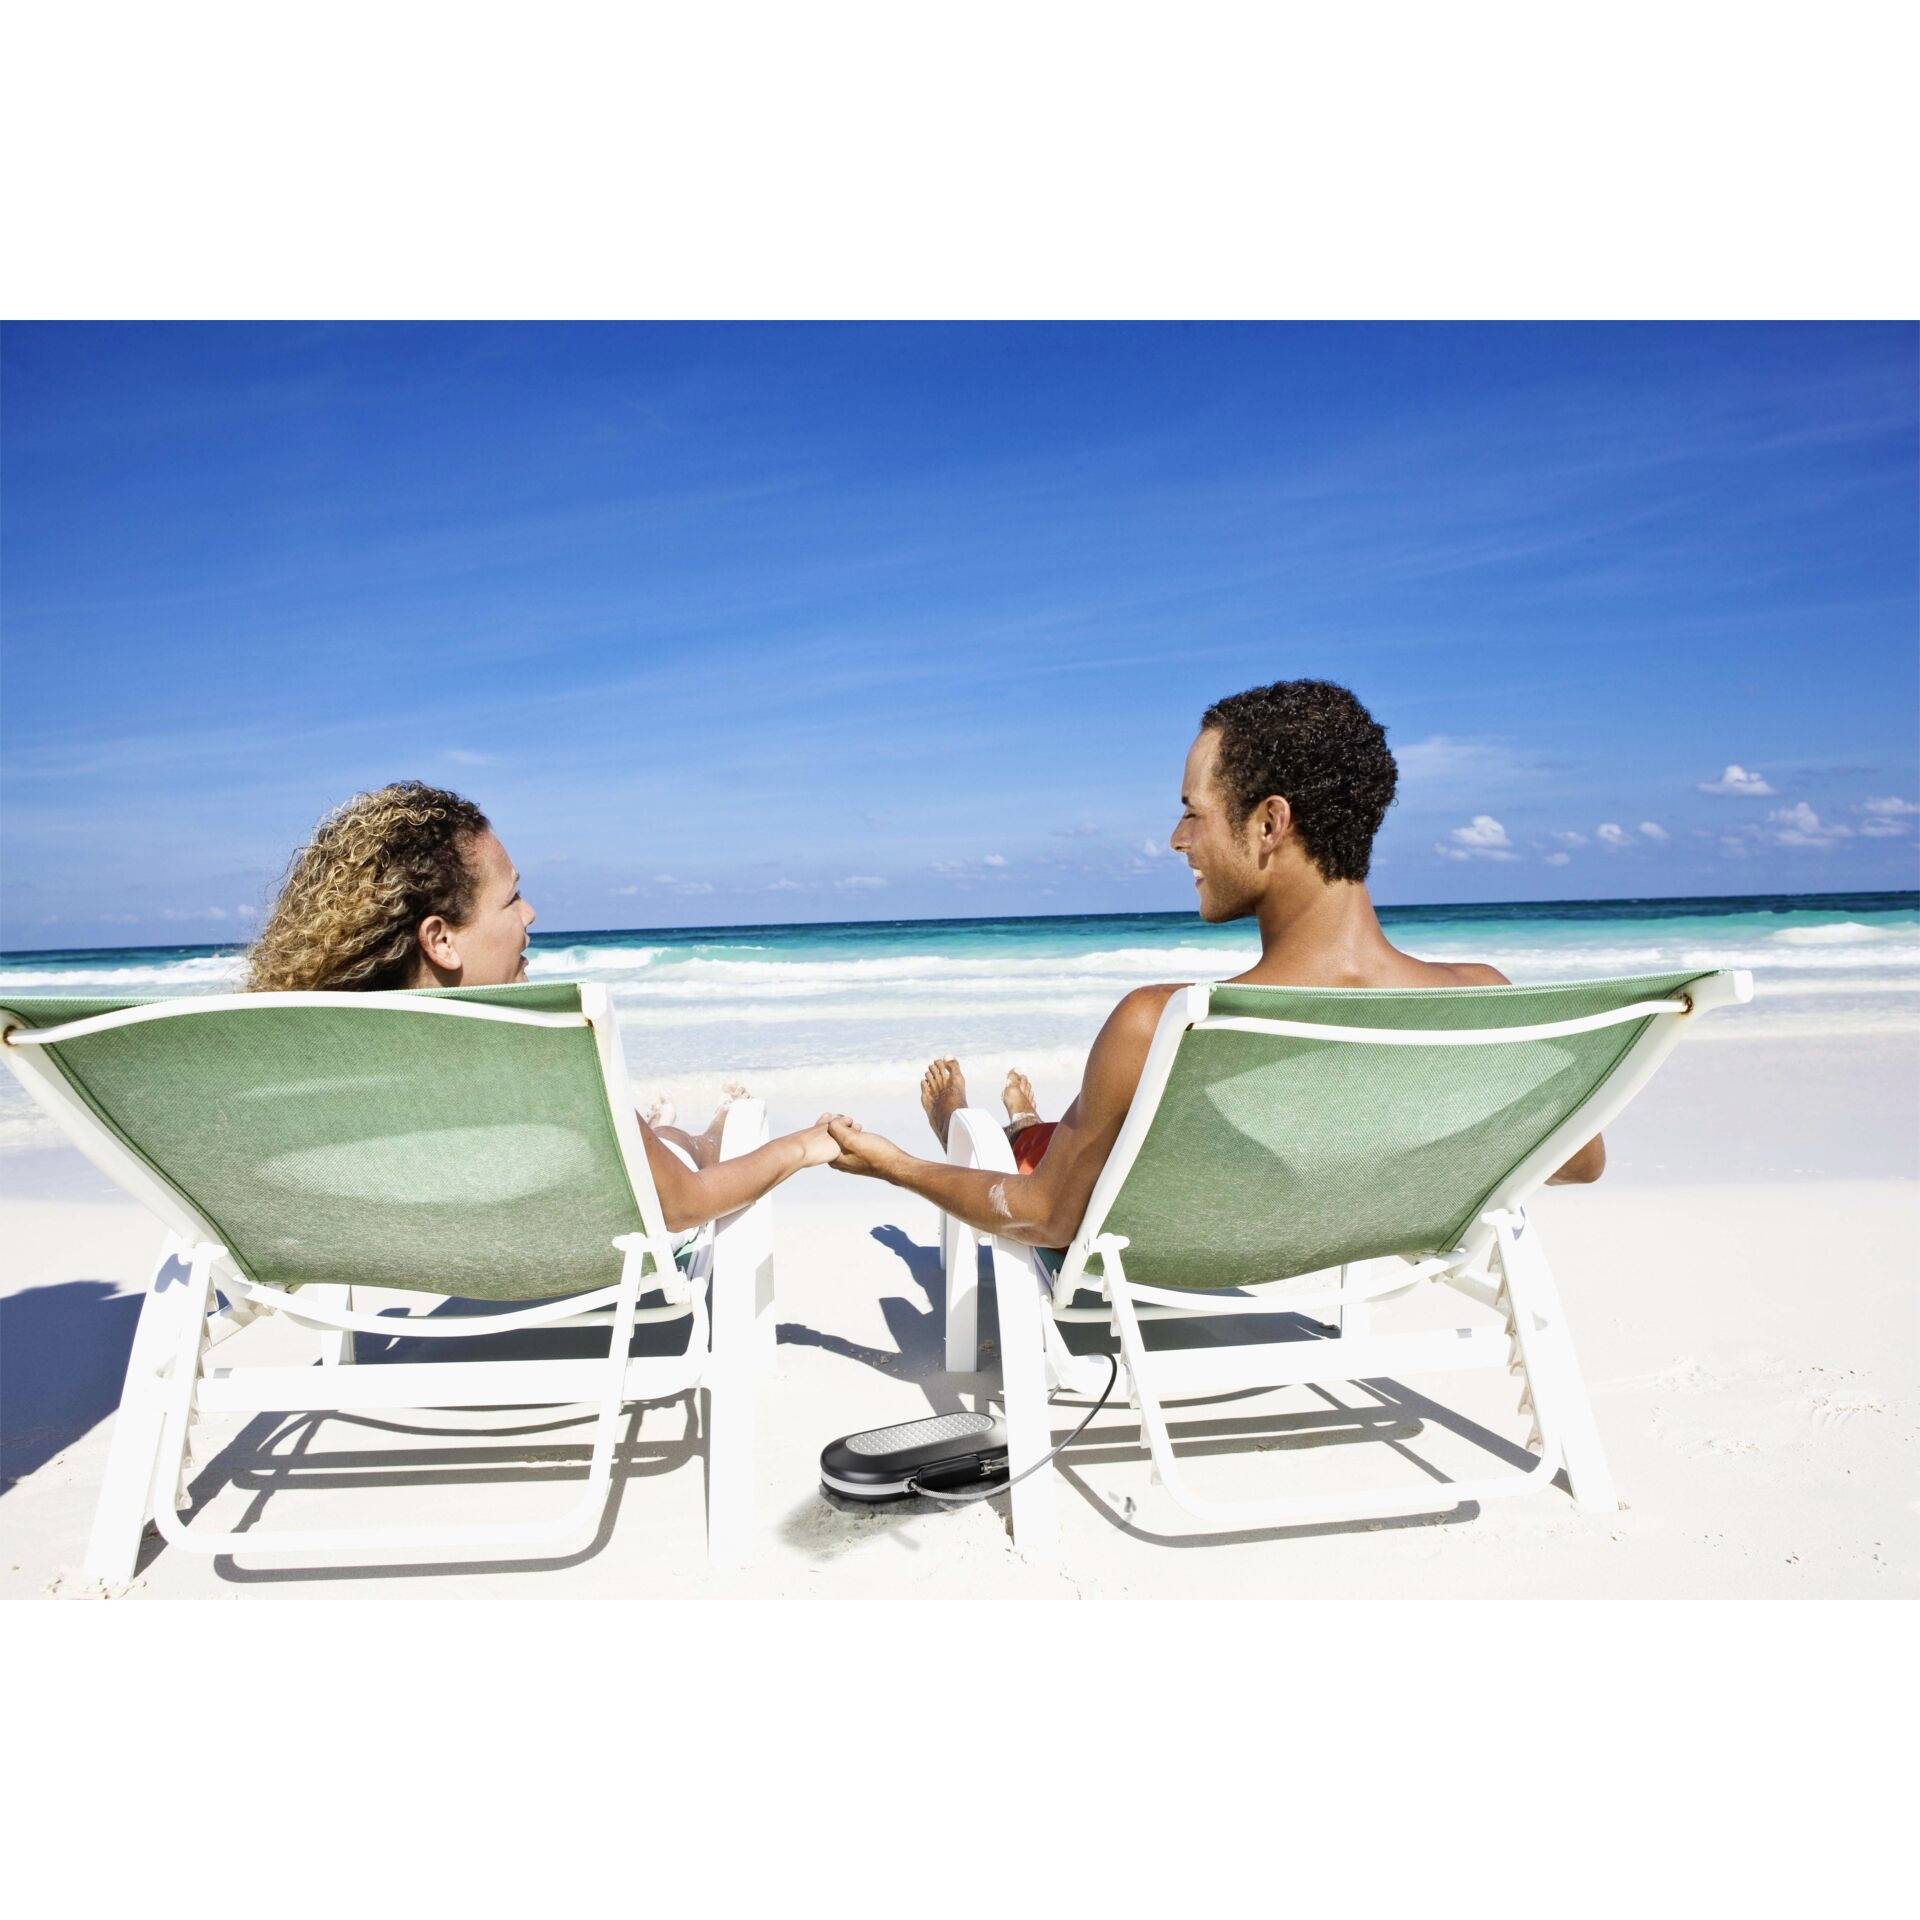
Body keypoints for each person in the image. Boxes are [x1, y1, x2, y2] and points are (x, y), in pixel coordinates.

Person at [824, 677, 1604, 1246]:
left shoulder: (1159, 1022)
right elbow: (1580, 1162)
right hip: (1338, 1234)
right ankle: (1025, 1119)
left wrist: (896, 1167)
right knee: (1078, 1129)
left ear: (1269, 824)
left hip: (1175, 1247)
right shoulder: (1480, 1000)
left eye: (1192, 813)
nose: (1176, 840)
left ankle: (977, 1124)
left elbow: (1048, 1215)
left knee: (1033, 1152)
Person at [246, 779, 843, 1231]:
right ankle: (701, 1132)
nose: (529, 914)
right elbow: (683, 1206)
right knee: (686, 1157)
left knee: (655, 1143)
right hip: (576, 1249)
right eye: (512, 898)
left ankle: (666, 1129)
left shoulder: (311, 1054)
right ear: (441, 939)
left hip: (420, 1245)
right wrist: (797, 1147)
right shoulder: (543, 1048)